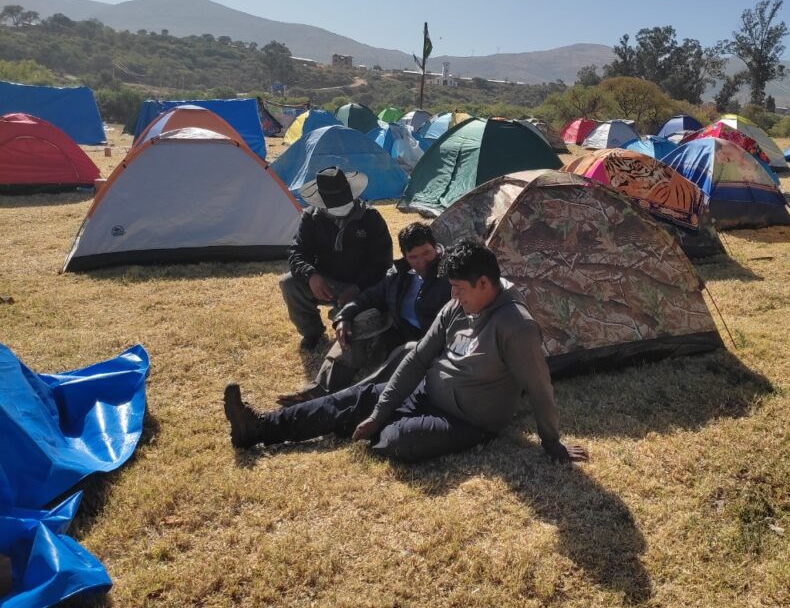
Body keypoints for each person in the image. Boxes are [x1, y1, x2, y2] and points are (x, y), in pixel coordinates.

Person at [225, 240, 588, 464]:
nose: (454, 297)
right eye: (452, 288)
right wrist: (381, 408)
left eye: (460, 288)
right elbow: (418, 357)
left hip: (466, 420)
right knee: (359, 397)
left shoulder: (515, 325)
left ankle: (355, 422)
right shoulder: (458, 305)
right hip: (426, 393)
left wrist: (552, 442)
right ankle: (258, 429)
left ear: (484, 283)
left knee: (398, 442)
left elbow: (540, 389)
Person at [276, 222, 451, 405]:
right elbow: (369, 297)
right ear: (405, 257)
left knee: (395, 368)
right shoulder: (399, 274)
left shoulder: (451, 274)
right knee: (357, 322)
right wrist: (344, 316)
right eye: (413, 257)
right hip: (396, 332)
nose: (421, 262)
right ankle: (321, 389)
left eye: (426, 253)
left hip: (427, 342)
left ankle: (346, 402)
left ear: (436, 248)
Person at [279, 167, 393, 350]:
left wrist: (358, 287)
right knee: (289, 283)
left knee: (365, 332)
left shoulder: (371, 217)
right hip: (328, 283)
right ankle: (312, 333)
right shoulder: (311, 218)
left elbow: (382, 261)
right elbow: (297, 252)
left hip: (364, 285)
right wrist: (311, 276)